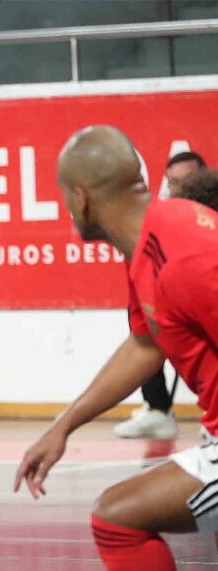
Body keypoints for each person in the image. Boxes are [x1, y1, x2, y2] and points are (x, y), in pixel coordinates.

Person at [15, 125, 218, 571]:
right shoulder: (152, 239)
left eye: (64, 197)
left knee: (117, 517)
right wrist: (65, 425)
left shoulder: (183, 256)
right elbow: (145, 346)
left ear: (81, 199)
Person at [114, 151, 207, 439]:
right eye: (172, 182)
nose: (178, 189)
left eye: (186, 181)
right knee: (147, 320)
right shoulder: (157, 227)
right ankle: (158, 408)